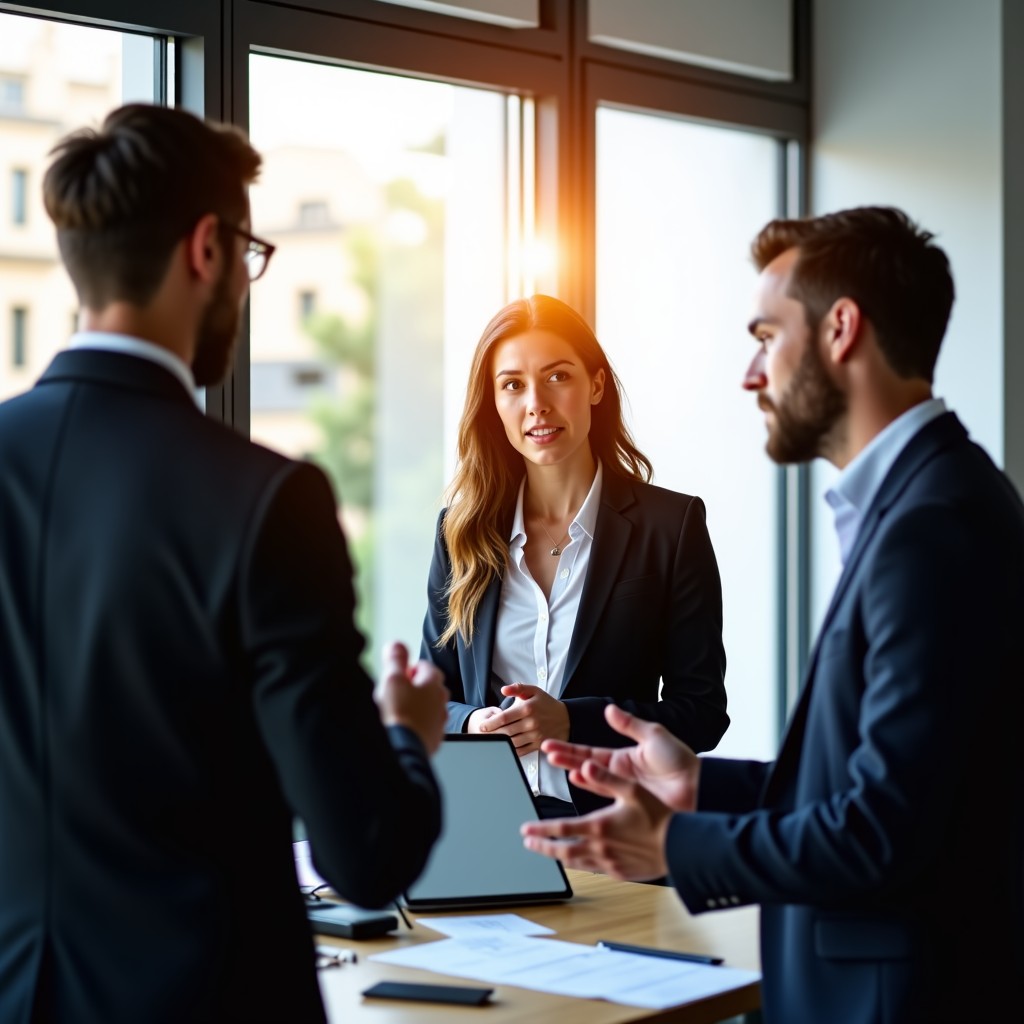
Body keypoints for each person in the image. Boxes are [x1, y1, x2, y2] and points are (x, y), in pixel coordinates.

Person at [0, 104, 447, 1024]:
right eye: (248, 255)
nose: (247, 283)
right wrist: (407, 736)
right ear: (207, 249)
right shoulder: (268, 500)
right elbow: (368, 855)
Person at [522, 207, 1024, 1023]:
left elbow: (881, 832)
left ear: (841, 330)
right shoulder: (929, 502)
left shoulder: (933, 526)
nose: (751, 375)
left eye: (765, 337)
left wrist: (674, 845)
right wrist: (698, 787)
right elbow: (871, 786)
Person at [421, 294, 728, 818]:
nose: (536, 403)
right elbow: (432, 697)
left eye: (558, 377)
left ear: (596, 385)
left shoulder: (671, 527)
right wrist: (473, 725)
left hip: (614, 830)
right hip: (486, 824)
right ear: (493, 403)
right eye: (512, 385)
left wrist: (572, 721)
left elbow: (701, 715)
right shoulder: (461, 531)